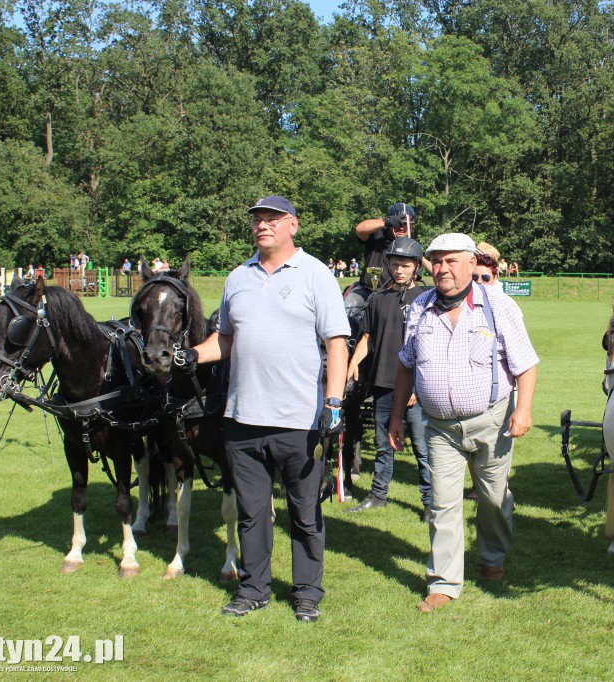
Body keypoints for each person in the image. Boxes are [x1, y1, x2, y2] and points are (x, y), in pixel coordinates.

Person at [180, 195, 349, 623]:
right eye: (257, 219)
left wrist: (333, 402)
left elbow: (336, 342)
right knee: (252, 513)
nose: (262, 225)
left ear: (293, 224)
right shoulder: (238, 276)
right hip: (243, 419)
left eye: (272, 219)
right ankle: (254, 589)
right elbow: (227, 339)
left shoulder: (316, 275)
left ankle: (308, 593)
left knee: (305, 513)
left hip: (300, 420)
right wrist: (191, 356)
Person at [389, 233, 538, 613]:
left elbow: (526, 364)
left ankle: (492, 556)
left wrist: (523, 411)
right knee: (442, 503)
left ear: (473, 263)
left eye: (451, 261)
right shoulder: (420, 307)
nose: (442, 269)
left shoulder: (498, 306)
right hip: (437, 426)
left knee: (491, 497)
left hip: (491, 420)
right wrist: (395, 416)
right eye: (436, 261)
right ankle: (444, 581)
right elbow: (406, 363)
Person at [346, 237, 432, 519]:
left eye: (405, 265)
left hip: (418, 386)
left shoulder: (427, 299)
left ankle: (430, 502)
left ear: (416, 267)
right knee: (384, 445)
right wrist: (352, 363)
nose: (398, 270)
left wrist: (418, 389)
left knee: (422, 447)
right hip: (383, 382)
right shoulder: (377, 299)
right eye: (394, 264)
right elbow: (367, 338)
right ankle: (378, 495)